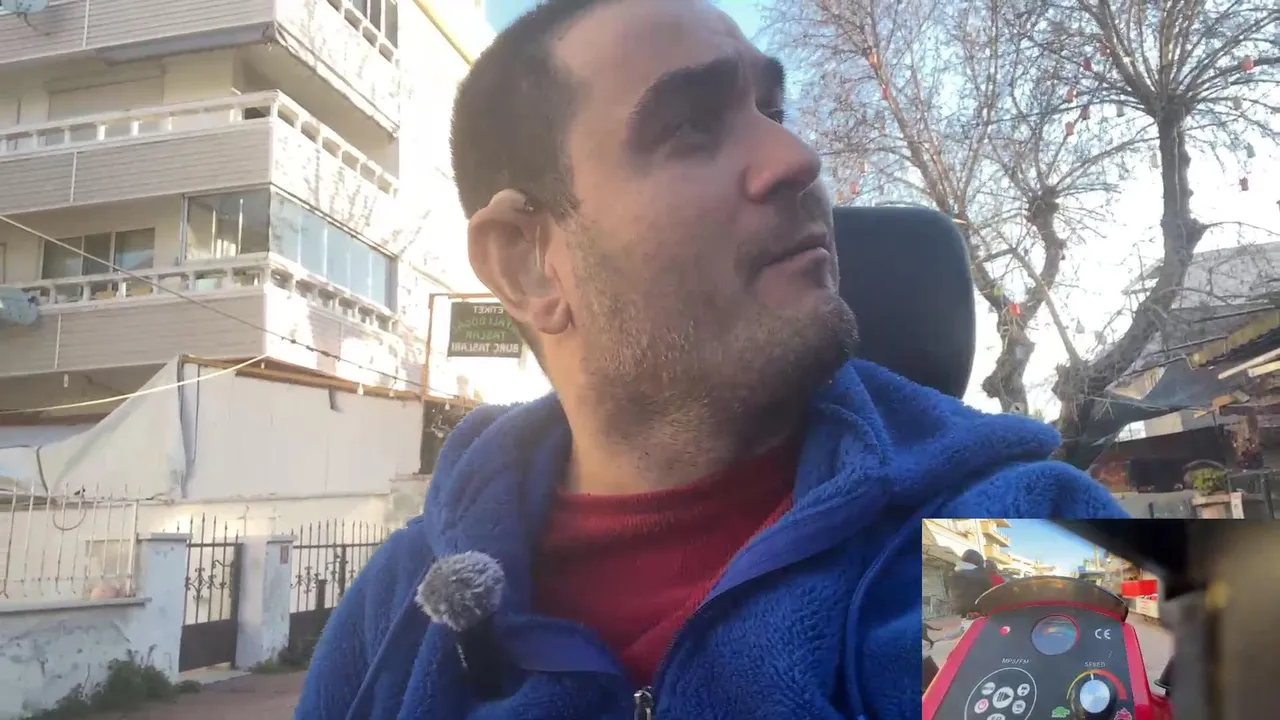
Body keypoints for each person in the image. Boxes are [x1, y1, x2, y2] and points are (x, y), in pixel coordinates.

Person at [294, 1, 1127, 718]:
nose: (798, 159)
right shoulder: (405, 607)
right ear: (527, 263)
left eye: (774, 107)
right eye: (689, 123)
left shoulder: (1031, 537)